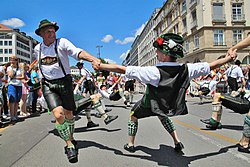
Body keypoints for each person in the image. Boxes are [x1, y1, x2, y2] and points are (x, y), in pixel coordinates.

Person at [93, 33, 237, 153]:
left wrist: (101, 66)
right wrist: (228, 58)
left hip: (150, 103)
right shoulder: (187, 69)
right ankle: (177, 142)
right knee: (163, 117)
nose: (156, 52)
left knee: (133, 115)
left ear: (166, 54)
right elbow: (211, 65)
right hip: (167, 105)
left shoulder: (154, 71)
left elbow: (122, 69)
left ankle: (130, 144)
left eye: (158, 50)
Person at [34, 19, 101, 162]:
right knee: (59, 115)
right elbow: (41, 68)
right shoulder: (37, 49)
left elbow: (77, 52)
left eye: (53, 31)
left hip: (64, 82)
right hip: (48, 84)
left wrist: (93, 59)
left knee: (69, 113)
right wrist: (40, 86)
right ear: (41, 34)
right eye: (48, 31)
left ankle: (71, 137)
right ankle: (69, 145)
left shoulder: (62, 42)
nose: (52, 33)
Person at [203, 35, 250, 153]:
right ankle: (215, 122)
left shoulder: (239, 70)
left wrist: (242, 88)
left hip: (243, 97)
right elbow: (224, 72)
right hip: (243, 97)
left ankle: (244, 142)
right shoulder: (232, 68)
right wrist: (234, 48)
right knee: (217, 95)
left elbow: (243, 80)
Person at [7, 56, 24, 122]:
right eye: (11, 60)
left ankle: (15, 114)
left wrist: (16, 77)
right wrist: (11, 67)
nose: (12, 61)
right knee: (12, 100)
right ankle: (12, 116)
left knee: (17, 100)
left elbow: (22, 76)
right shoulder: (9, 68)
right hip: (12, 85)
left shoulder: (20, 68)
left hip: (19, 85)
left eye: (13, 60)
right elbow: (10, 75)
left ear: (16, 61)